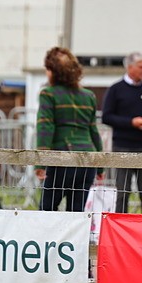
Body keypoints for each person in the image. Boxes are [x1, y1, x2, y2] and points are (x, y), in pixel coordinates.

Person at [36, 47, 101, 212]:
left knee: (47, 209)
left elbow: (45, 127)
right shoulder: (89, 96)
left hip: (62, 159)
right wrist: (101, 166)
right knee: (76, 213)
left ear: (52, 71)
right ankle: (75, 239)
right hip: (88, 161)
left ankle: (50, 239)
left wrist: (40, 162)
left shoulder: (49, 94)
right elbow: (94, 131)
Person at [101, 51, 142, 213]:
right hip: (122, 148)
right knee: (123, 191)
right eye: (140, 66)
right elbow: (106, 116)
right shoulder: (116, 89)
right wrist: (131, 122)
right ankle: (120, 227)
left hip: (141, 148)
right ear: (130, 67)